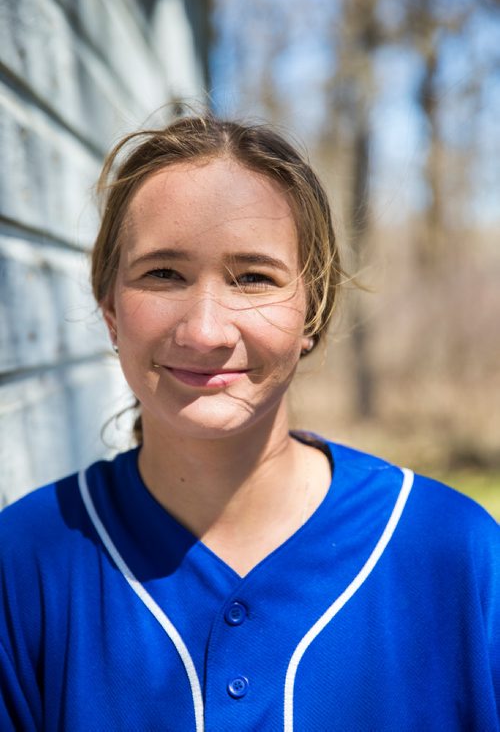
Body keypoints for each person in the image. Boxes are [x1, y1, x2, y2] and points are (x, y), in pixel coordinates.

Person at [0, 116, 498, 732]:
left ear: (310, 310)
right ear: (109, 308)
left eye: (254, 278)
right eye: (163, 273)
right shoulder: (26, 562)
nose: (205, 331)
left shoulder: (454, 552)